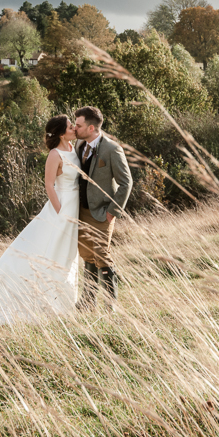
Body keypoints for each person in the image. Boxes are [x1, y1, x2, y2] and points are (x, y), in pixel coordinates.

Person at [0, 115, 80, 326]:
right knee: (49, 253)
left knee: (66, 256)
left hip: (74, 209)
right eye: (70, 126)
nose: (74, 128)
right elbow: (49, 185)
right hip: (61, 210)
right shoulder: (54, 155)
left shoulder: (74, 149)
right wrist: (60, 212)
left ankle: (62, 302)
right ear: (60, 133)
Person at [73, 106, 132, 310]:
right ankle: (88, 301)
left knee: (102, 254)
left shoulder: (112, 149)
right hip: (81, 212)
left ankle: (111, 304)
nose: (75, 128)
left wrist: (112, 212)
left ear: (91, 128)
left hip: (101, 214)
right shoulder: (80, 144)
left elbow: (126, 183)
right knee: (87, 255)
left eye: (78, 125)